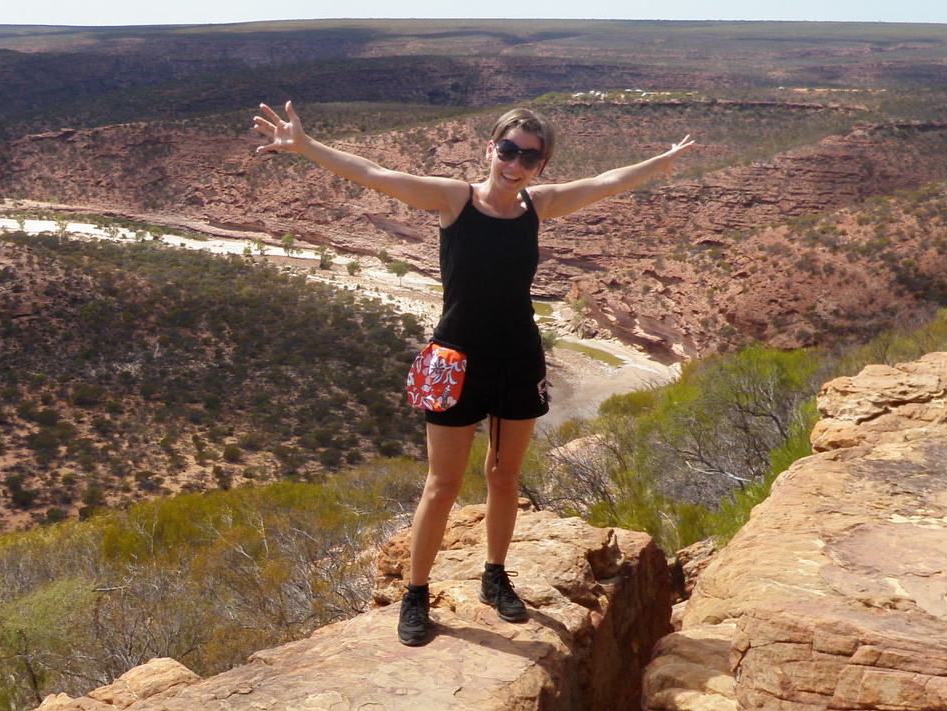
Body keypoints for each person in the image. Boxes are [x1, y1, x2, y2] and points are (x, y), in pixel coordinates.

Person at [253, 101, 694, 646]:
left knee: (503, 478)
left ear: (541, 165)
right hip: (455, 359)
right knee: (441, 485)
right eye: (507, 150)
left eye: (528, 157)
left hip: (518, 359)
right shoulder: (454, 199)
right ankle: (416, 594)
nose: (514, 163)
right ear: (490, 149)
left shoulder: (538, 205)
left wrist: (658, 163)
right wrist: (307, 147)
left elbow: (604, 181)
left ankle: (495, 575)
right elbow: (377, 175)